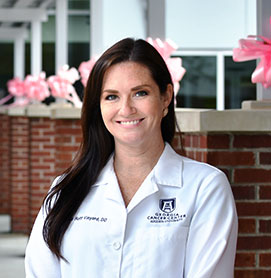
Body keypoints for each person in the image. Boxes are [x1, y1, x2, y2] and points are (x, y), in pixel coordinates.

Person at [25, 38, 238, 278]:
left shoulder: (205, 188)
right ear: (98, 106)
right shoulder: (65, 190)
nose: (126, 109)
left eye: (140, 93)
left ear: (166, 97)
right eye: (111, 96)